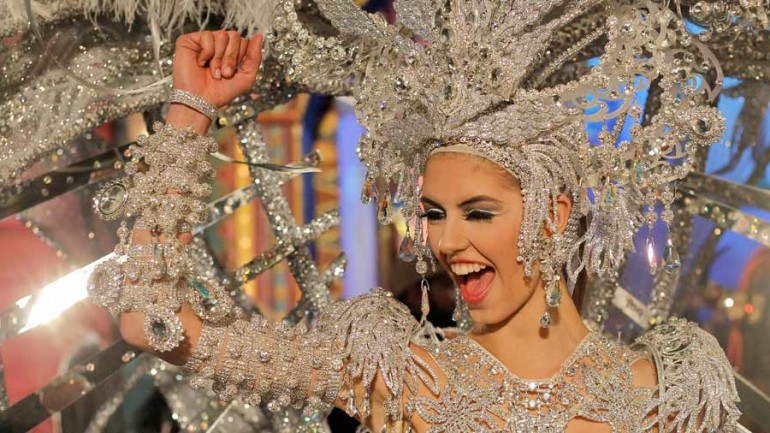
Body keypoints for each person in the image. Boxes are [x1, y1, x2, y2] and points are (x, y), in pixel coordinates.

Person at [86, 1, 744, 432]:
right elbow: (153, 321)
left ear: (555, 212)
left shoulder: (667, 394)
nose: (446, 241)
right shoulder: (400, 379)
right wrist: (189, 110)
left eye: (478, 213)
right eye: (433, 212)